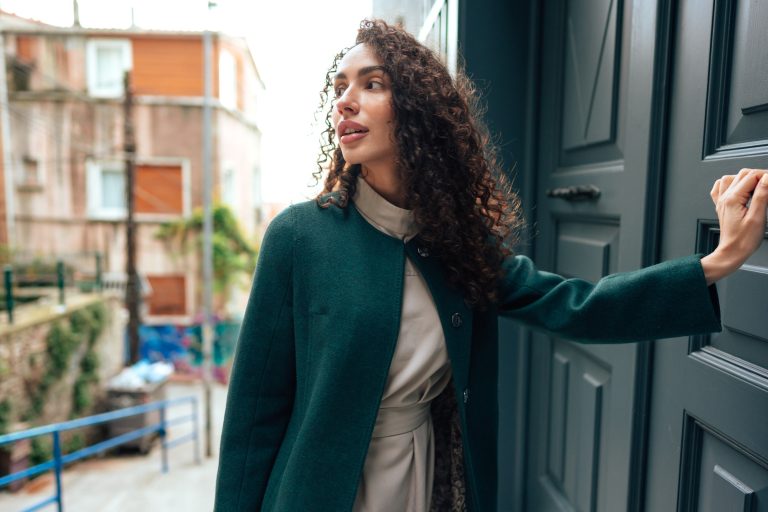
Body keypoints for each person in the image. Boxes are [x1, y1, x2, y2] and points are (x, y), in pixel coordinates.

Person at [214, 19, 767, 512]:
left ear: (418, 112)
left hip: (425, 479)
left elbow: (578, 307)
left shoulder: (457, 247)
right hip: (317, 491)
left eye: (372, 84)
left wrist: (717, 262)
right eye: (340, 88)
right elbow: (253, 416)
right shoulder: (297, 237)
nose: (345, 101)